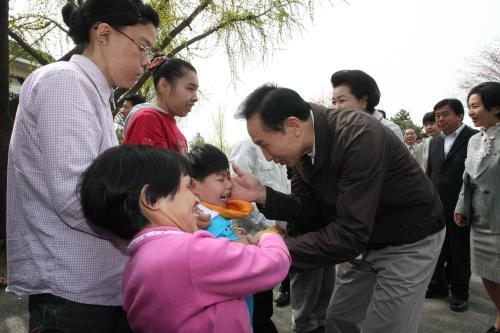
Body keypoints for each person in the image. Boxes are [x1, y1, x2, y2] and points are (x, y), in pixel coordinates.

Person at [231, 84, 445, 333]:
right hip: (364, 240)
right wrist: (262, 194)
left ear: (294, 126)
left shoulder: (358, 135)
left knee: (385, 327)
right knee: (340, 321)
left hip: (409, 238)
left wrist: (271, 250)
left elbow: (350, 234)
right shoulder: (304, 147)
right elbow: (308, 209)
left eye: (265, 144)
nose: (266, 157)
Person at [6, 1, 159, 331]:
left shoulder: (95, 95)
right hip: (73, 297)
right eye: (143, 47)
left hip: (92, 291)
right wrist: (160, 227)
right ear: (104, 33)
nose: (147, 62)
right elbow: (77, 198)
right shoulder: (65, 82)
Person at [80, 144, 291, 333]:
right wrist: (269, 236)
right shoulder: (189, 252)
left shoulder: (136, 263)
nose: (194, 197)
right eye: (186, 187)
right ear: (150, 199)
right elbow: (274, 265)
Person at [230, 139, 291, 332]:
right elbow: (242, 200)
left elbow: (284, 189)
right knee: (257, 308)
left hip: (277, 233)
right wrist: (270, 230)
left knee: (263, 303)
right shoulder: (246, 148)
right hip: (254, 238)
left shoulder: (280, 147)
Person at [454, 82, 500, 333]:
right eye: (469, 106)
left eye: (476, 106)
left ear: (496, 106)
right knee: (486, 274)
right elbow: (468, 177)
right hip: (480, 220)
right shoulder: (474, 141)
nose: (471, 112)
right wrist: (462, 206)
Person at [426, 98, 478, 312]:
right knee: (437, 248)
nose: (440, 119)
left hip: (461, 205)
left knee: (459, 251)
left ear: (460, 115)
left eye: (445, 114)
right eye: (437, 115)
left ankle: (460, 293)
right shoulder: (435, 141)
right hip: (437, 205)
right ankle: (438, 285)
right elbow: (431, 173)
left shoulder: (474, 138)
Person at [123, 57, 198, 154]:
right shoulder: (147, 119)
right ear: (164, 85)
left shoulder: (178, 133)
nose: (195, 98)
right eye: (190, 89)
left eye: (196, 91)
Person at [330, 69, 403, 141]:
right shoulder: (339, 132)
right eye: (334, 102)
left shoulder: (389, 130)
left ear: (364, 101)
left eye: (342, 100)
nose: (336, 107)